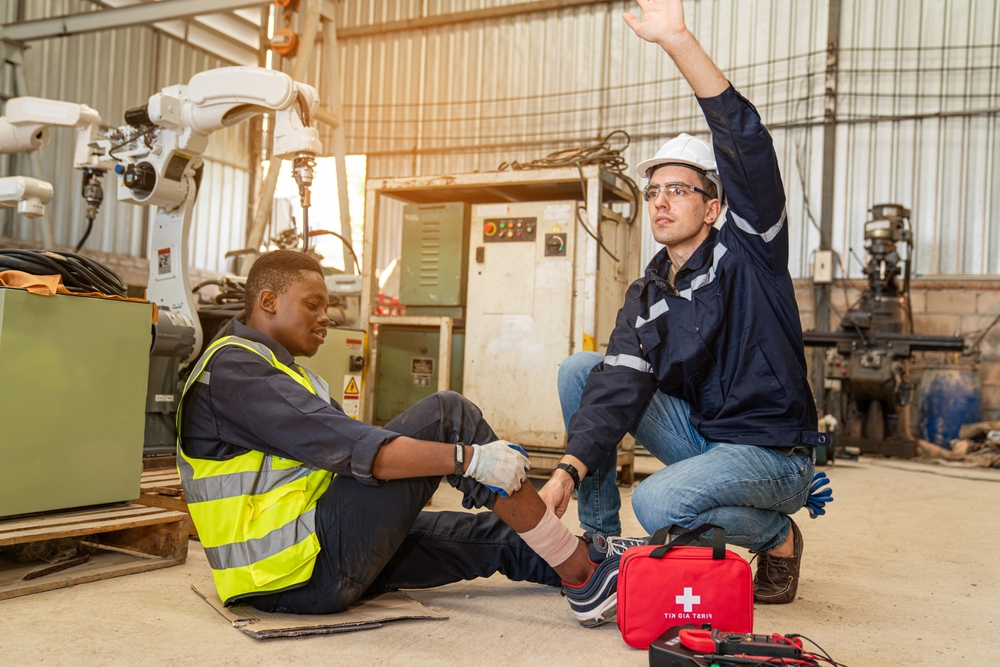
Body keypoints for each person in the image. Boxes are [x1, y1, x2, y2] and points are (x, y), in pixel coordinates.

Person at [539, 0, 829, 615]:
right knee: (584, 371)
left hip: (772, 454)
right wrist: (566, 471)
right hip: (707, 440)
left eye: (679, 189)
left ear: (713, 206)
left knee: (659, 502)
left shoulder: (750, 251)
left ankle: (776, 535)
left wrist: (677, 41)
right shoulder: (649, 293)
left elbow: (745, 142)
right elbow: (619, 385)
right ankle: (599, 539)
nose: (661, 202)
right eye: (654, 191)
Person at [177, 249, 621, 627]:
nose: (325, 317)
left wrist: (472, 468)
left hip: (306, 559)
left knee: (487, 537)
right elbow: (363, 453)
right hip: (297, 569)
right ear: (268, 301)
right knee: (449, 415)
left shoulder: (283, 372)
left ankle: (602, 560)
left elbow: (355, 452)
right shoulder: (236, 370)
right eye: (312, 304)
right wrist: (470, 460)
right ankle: (581, 576)